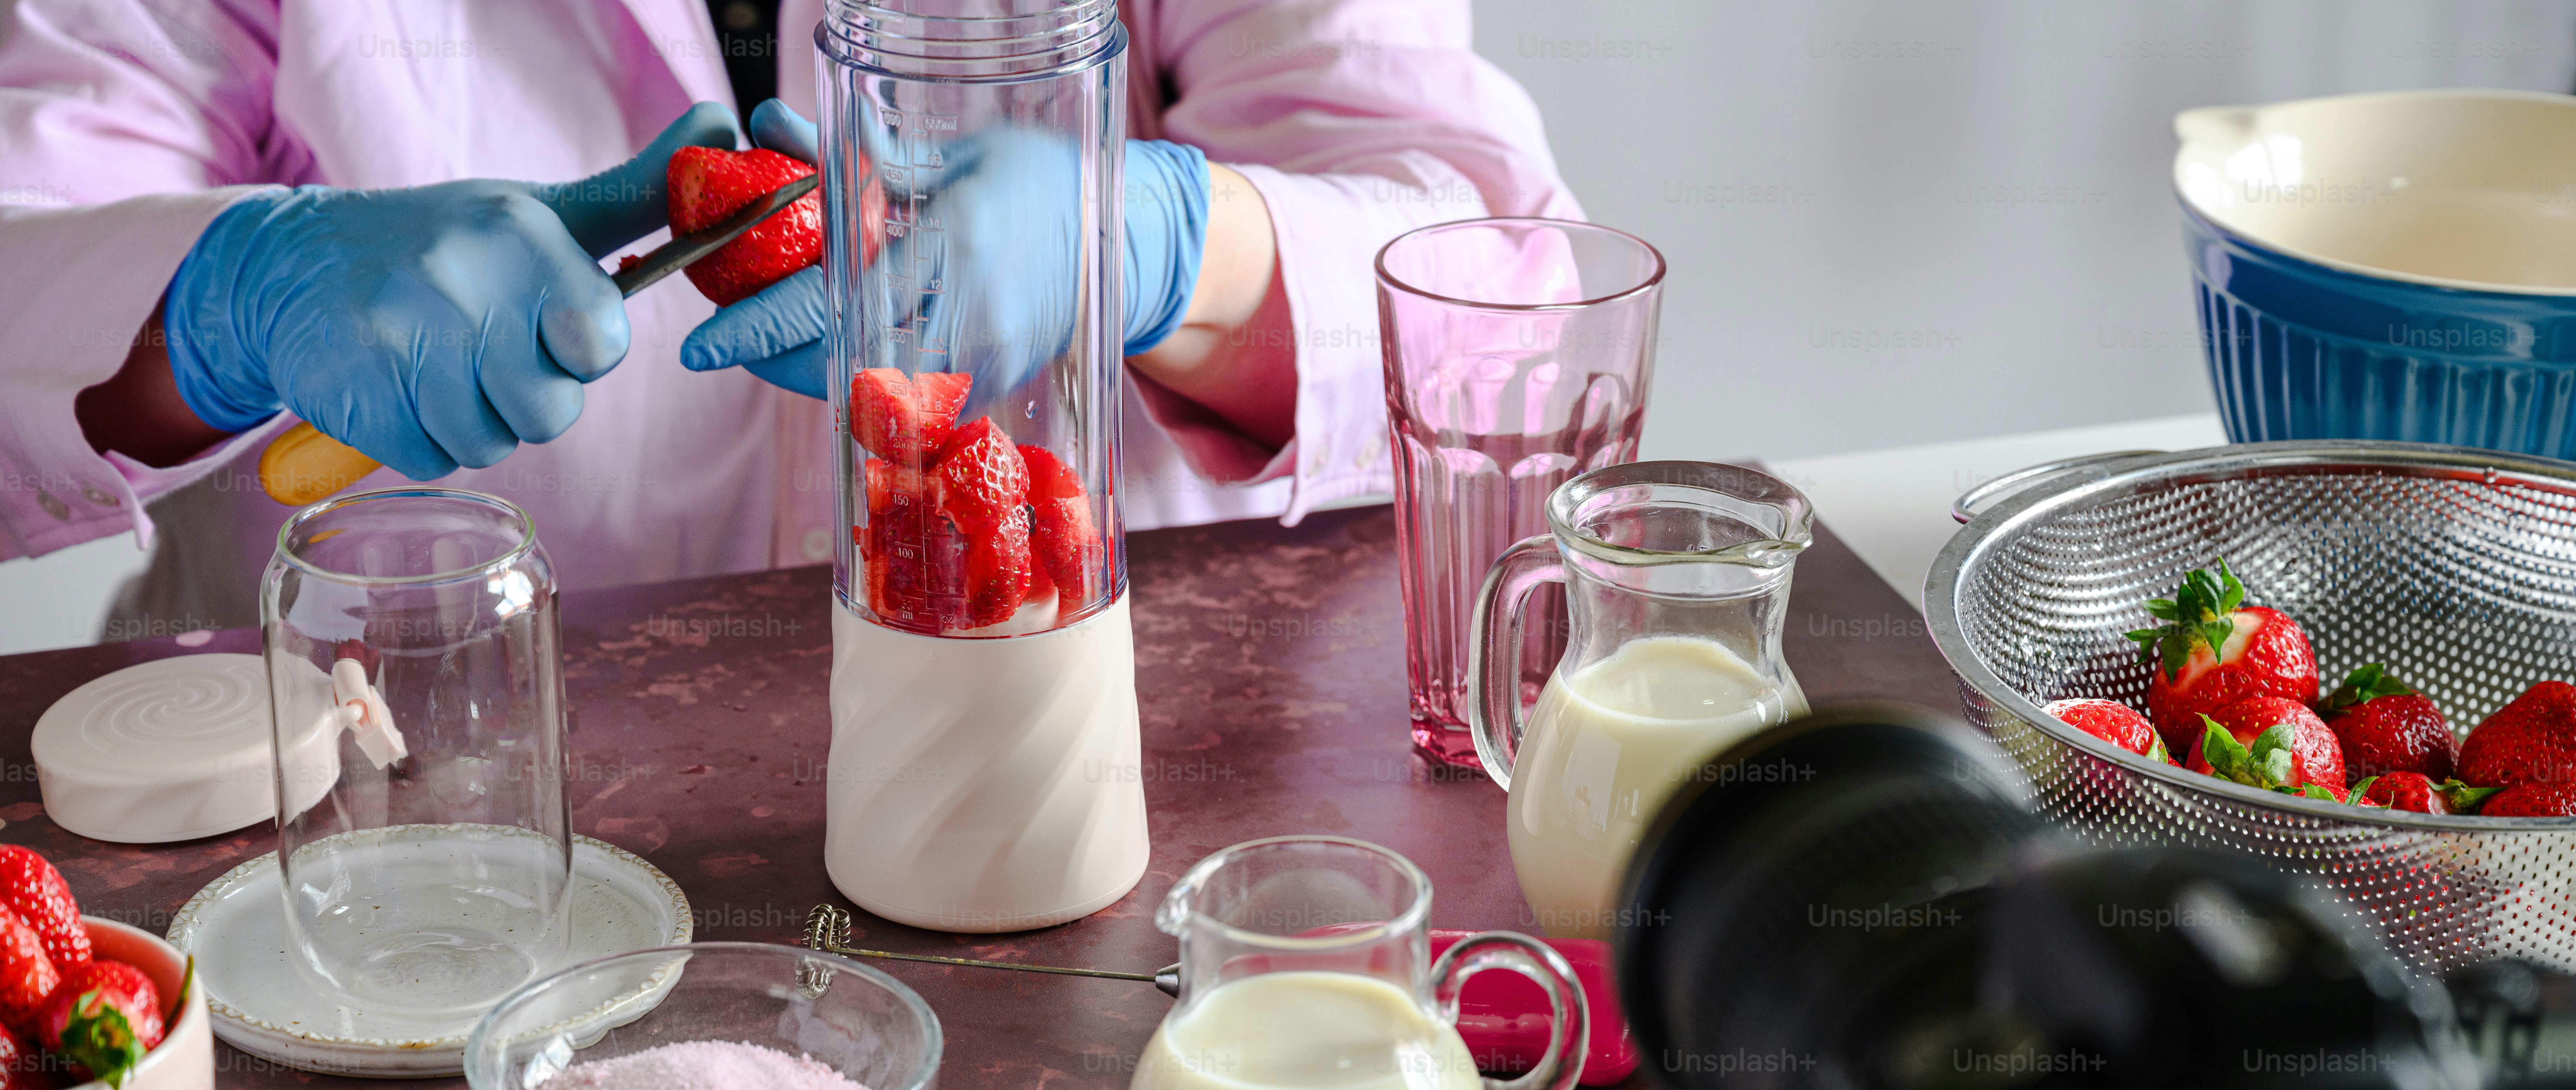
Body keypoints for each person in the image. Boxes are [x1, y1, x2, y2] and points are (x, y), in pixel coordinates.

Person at [0, 1, 1579, 637]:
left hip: (1099, 786)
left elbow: (1511, 291)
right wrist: (217, 307)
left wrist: (1169, 244)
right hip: (410, 818)